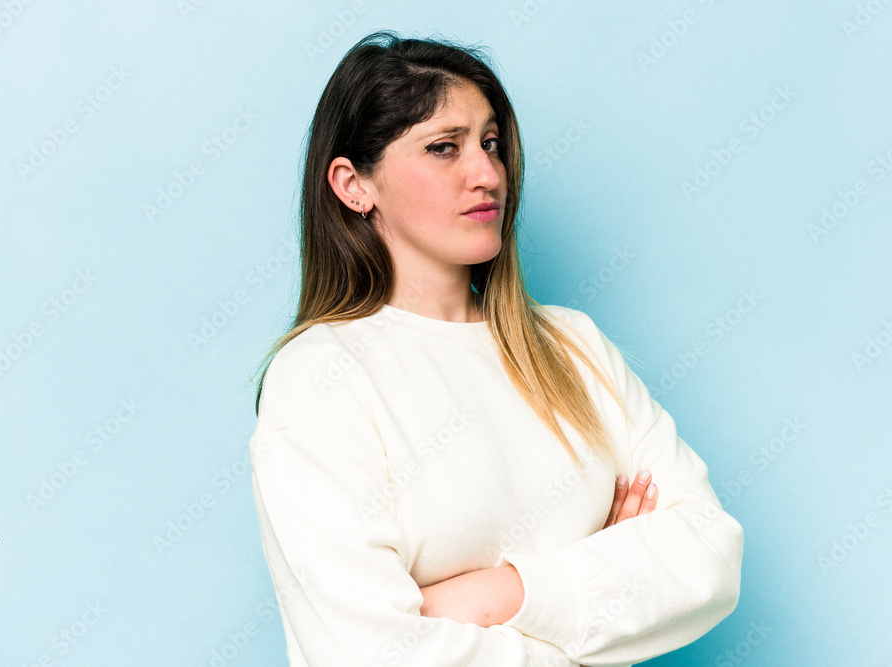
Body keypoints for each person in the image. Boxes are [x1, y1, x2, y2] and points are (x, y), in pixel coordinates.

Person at [248, 29, 743, 667]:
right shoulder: (319, 377)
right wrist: (603, 584)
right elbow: (372, 654)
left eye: (490, 144)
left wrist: (488, 597)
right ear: (353, 186)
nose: (486, 174)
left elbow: (708, 556)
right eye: (443, 148)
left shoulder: (573, 345)